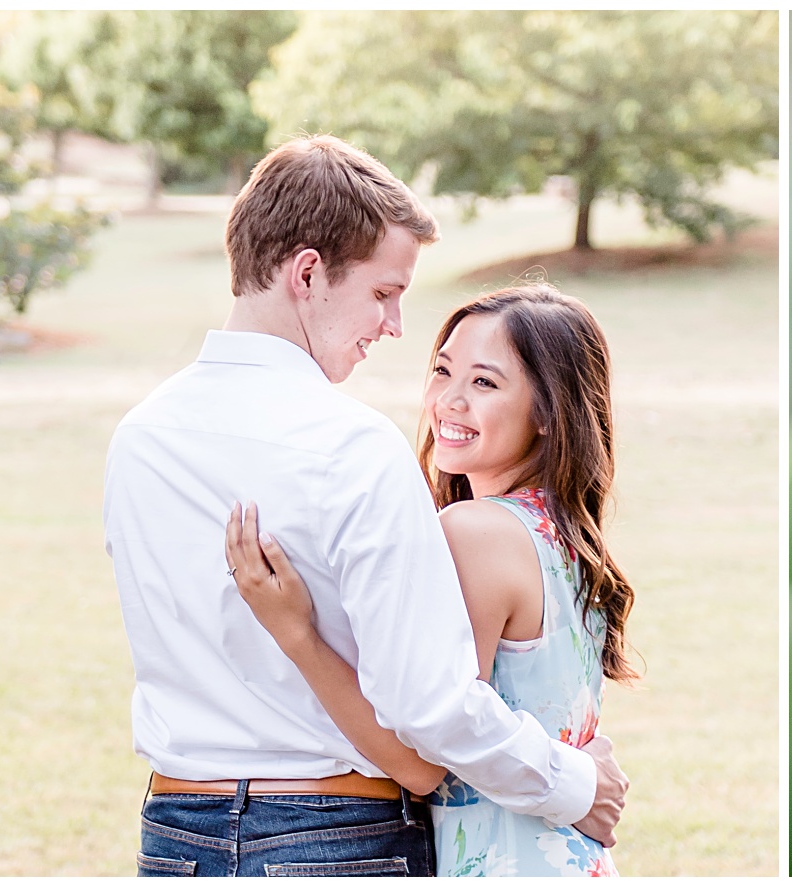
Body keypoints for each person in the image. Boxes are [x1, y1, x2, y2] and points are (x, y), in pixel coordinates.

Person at [103, 135, 626, 877]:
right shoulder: (352, 444)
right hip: (336, 834)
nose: (395, 324)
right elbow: (430, 710)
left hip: (174, 835)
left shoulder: (139, 438)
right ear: (307, 273)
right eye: (384, 292)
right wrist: (575, 783)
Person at [226, 284, 636, 876]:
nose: (449, 400)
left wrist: (297, 634)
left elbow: (421, 753)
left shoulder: (474, 532)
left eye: (484, 382)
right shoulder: (567, 537)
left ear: (549, 411)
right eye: (443, 372)